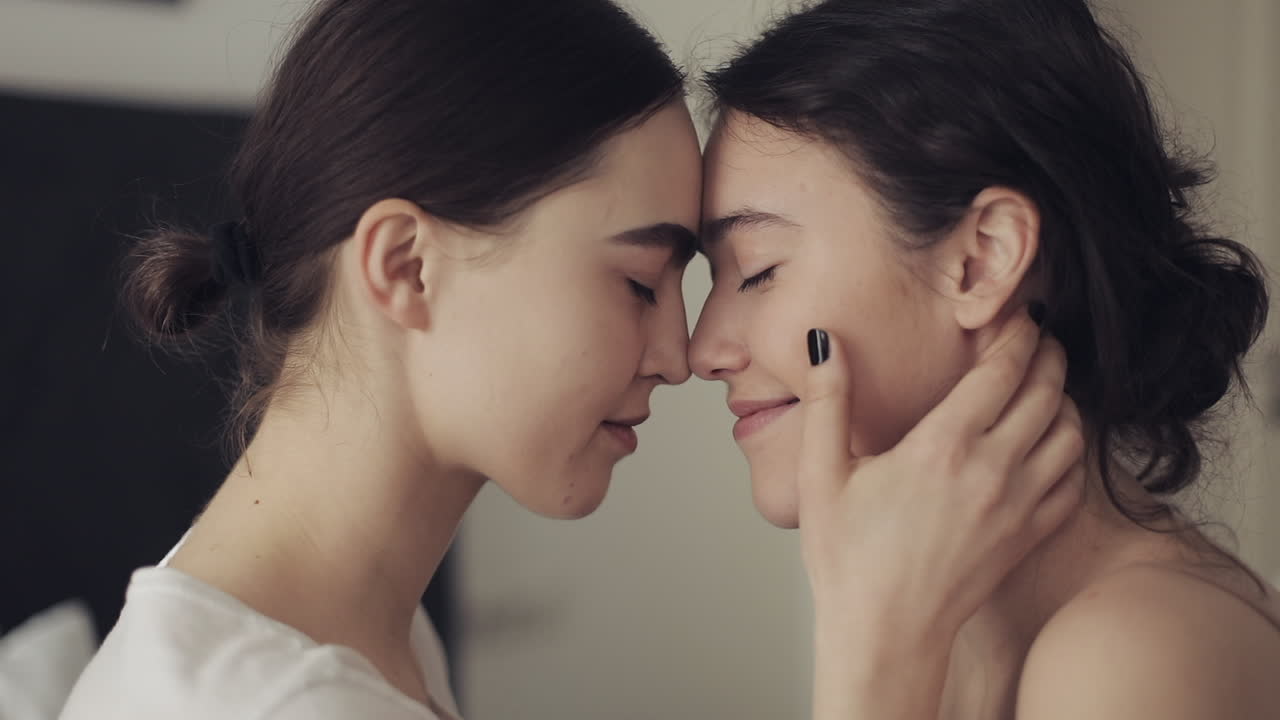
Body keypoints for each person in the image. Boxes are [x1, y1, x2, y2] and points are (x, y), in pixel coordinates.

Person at [59, 1, 1081, 718]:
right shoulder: (271, 703)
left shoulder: (362, 637)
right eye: (638, 283)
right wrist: (876, 658)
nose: (681, 355)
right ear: (406, 265)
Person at [691, 1, 1280, 718]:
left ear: (984, 259)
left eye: (757, 269)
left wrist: (873, 665)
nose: (703, 349)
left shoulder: (1129, 658)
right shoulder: (933, 627)